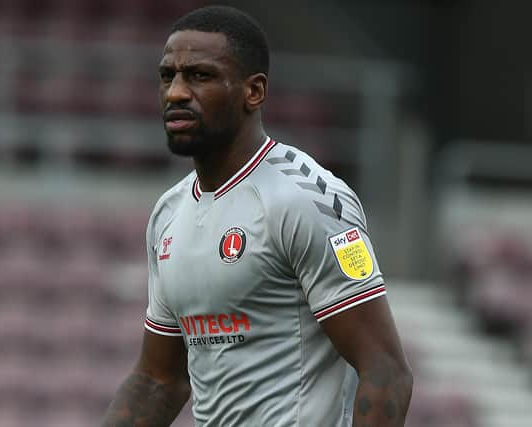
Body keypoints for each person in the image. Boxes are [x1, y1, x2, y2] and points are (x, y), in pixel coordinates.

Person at [102, 5, 412, 427]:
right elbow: (158, 380)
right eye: (167, 76)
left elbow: (385, 370)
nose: (175, 92)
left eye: (200, 76)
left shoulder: (307, 199)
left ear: (254, 91)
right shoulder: (168, 214)